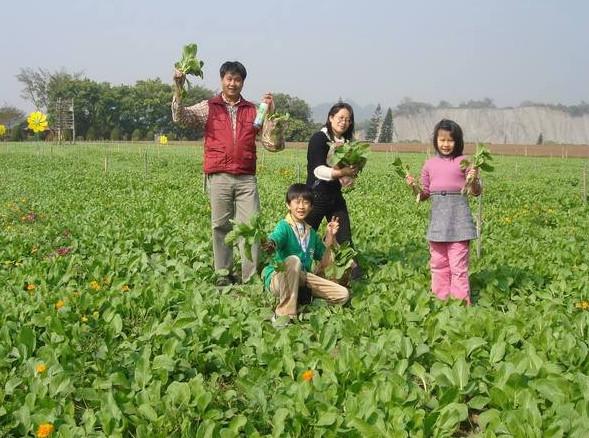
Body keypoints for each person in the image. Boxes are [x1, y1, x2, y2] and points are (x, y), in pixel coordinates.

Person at [172, 61, 274, 286]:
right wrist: (178, 87)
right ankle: (224, 273)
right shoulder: (209, 106)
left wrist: (271, 116)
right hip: (219, 176)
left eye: (237, 79)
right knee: (220, 226)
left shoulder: (253, 110)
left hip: (246, 177)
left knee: (251, 227)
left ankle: (250, 276)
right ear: (222, 80)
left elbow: (272, 144)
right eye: (229, 78)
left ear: (243, 82)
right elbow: (180, 117)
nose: (233, 83)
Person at [406, 119, 481, 304]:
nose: (446, 144)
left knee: (458, 266)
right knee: (438, 264)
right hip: (438, 224)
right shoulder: (429, 165)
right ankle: (441, 300)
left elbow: (475, 191)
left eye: (450, 140)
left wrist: (474, 178)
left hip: (459, 222)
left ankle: (461, 303)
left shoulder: (464, 162)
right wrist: (413, 186)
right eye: (442, 140)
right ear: (436, 141)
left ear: (458, 141)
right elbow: (423, 195)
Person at [262, 183, 350, 326]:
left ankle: (303, 299)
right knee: (294, 261)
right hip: (279, 277)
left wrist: (330, 237)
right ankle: (284, 315)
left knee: (343, 295)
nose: (301, 206)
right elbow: (276, 238)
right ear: (288, 205)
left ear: (311, 207)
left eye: (306, 202)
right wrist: (270, 243)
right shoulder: (284, 226)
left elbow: (325, 261)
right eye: (297, 202)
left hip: (303, 279)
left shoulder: (311, 233)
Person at [305, 102, 361, 278]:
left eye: (348, 120)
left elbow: (345, 170)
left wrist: (350, 175)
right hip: (315, 196)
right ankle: (299, 272)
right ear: (331, 118)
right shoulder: (319, 139)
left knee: (345, 239)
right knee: (305, 237)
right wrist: (341, 172)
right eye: (341, 118)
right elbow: (317, 170)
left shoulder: (346, 144)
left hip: (335, 197)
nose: (344, 122)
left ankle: (353, 276)